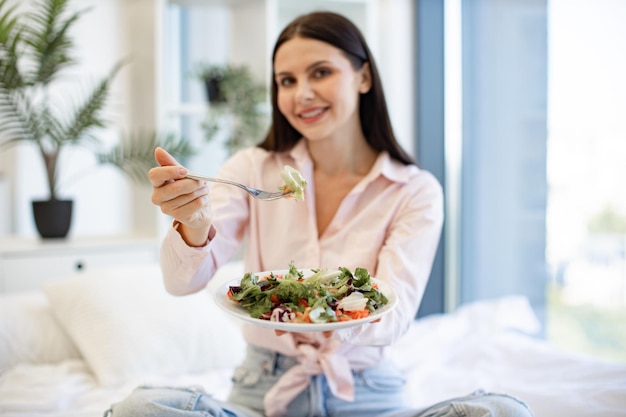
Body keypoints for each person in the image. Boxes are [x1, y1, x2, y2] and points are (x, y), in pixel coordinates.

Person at [104, 11, 534, 417]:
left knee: (502, 411)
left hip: (368, 392)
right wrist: (195, 223)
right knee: (140, 408)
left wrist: (321, 313)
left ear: (363, 76)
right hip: (262, 389)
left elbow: (395, 317)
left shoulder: (415, 191)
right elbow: (182, 283)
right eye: (286, 80)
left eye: (321, 73)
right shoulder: (252, 169)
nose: (302, 94)